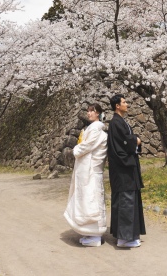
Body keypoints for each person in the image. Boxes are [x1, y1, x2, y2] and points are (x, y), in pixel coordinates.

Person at [64, 103, 108, 247]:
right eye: (88, 111)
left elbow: (86, 146)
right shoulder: (94, 128)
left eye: (92, 111)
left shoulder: (95, 129)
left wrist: (76, 149)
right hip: (90, 170)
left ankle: (94, 235)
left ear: (98, 113)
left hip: (91, 170)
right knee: (89, 199)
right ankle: (90, 233)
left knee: (91, 199)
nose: (89, 113)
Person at [107, 94, 145, 248]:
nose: (127, 104)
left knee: (128, 200)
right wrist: (135, 140)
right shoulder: (116, 123)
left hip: (126, 167)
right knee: (126, 201)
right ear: (117, 105)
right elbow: (122, 143)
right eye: (124, 102)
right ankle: (125, 238)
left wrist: (133, 140)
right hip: (123, 169)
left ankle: (127, 236)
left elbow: (126, 139)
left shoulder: (120, 122)